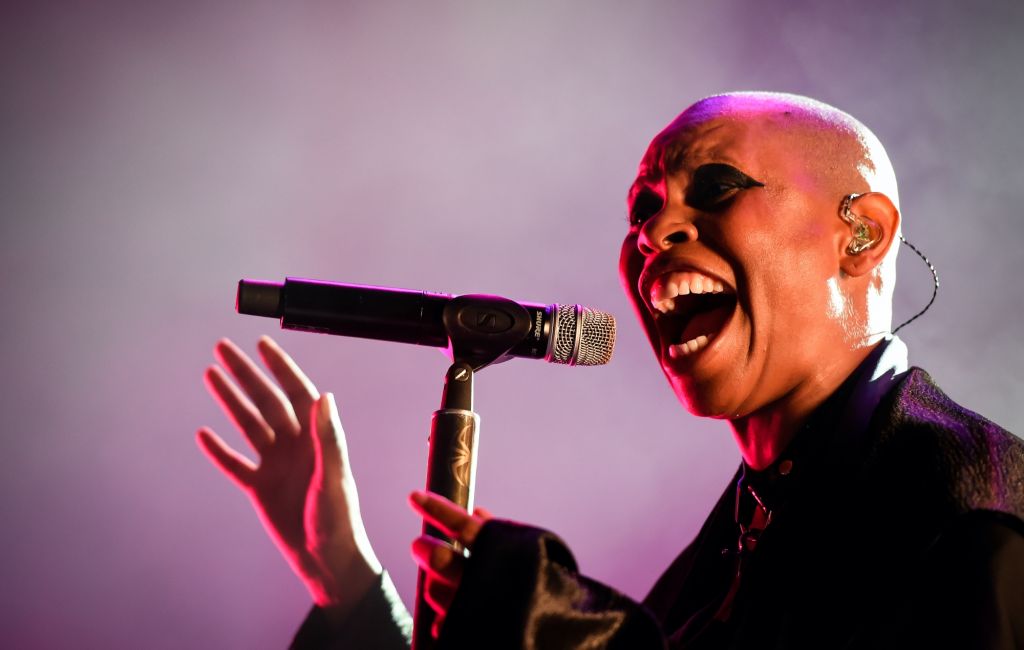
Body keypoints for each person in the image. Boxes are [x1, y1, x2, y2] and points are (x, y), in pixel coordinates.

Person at [197, 92, 1024, 649]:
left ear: (861, 232)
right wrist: (347, 576)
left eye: (717, 188)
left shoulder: (966, 516)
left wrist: (566, 631)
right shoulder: (751, 520)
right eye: (642, 207)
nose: (656, 228)